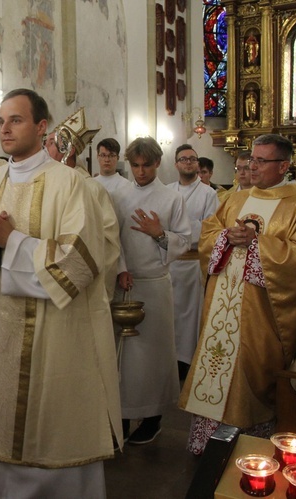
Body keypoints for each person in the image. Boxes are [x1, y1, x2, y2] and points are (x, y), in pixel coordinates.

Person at [0, 88, 121, 498]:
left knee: (51, 438)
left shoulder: (72, 185)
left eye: (16, 120)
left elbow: (80, 264)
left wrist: (12, 241)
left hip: (56, 341)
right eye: (1, 121)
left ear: (41, 126)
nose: (5, 128)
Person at [179, 134, 296, 455]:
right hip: (220, 308)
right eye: (251, 159)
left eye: (261, 161)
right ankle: (208, 445)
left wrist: (257, 243)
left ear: (283, 166)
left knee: (251, 368)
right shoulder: (234, 199)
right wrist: (226, 237)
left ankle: (250, 446)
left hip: (261, 311)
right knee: (215, 366)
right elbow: (208, 233)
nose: (252, 166)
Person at [111, 137, 192, 445]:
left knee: (153, 356)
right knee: (124, 357)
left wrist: (160, 234)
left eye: (146, 165)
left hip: (155, 284)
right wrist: (120, 268)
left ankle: (154, 418)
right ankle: (121, 416)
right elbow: (112, 237)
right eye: (135, 165)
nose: (140, 172)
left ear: (158, 163)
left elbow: (184, 241)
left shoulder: (172, 198)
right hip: (125, 282)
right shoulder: (119, 194)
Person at [44, 108, 121, 298]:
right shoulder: (44, 184)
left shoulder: (92, 189)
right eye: (45, 143)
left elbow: (108, 240)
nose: (44, 150)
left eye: (51, 144)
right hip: (42, 277)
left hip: (80, 284)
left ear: (68, 151)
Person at [167, 145, 219, 380]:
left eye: (192, 159)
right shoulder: (167, 191)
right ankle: (169, 359)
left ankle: (187, 362)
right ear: (176, 163)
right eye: (183, 159)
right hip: (168, 263)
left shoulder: (209, 194)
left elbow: (210, 229)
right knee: (170, 315)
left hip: (192, 264)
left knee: (189, 318)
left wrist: (176, 231)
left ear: (198, 164)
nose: (188, 163)